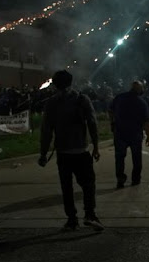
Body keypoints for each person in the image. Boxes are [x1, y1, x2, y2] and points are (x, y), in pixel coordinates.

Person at [38, 70, 103, 231]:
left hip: (63, 153)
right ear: (71, 82)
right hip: (81, 151)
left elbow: (46, 130)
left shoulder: (52, 103)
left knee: (66, 188)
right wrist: (95, 146)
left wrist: (43, 153)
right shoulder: (82, 99)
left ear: (55, 84)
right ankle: (90, 214)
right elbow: (92, 124)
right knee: (88, 184)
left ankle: (72, 219)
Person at [109, 80, 149, 189]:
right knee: (136, 158)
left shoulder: (119, 98)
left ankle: (120, 179)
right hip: (135, 134)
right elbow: (146, 122)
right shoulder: (141, 102)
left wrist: (113, 122)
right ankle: (135, 179)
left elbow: (110, 110)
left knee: (119, 158)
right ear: (139, 89)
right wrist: (148, 136)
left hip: (120, 133)